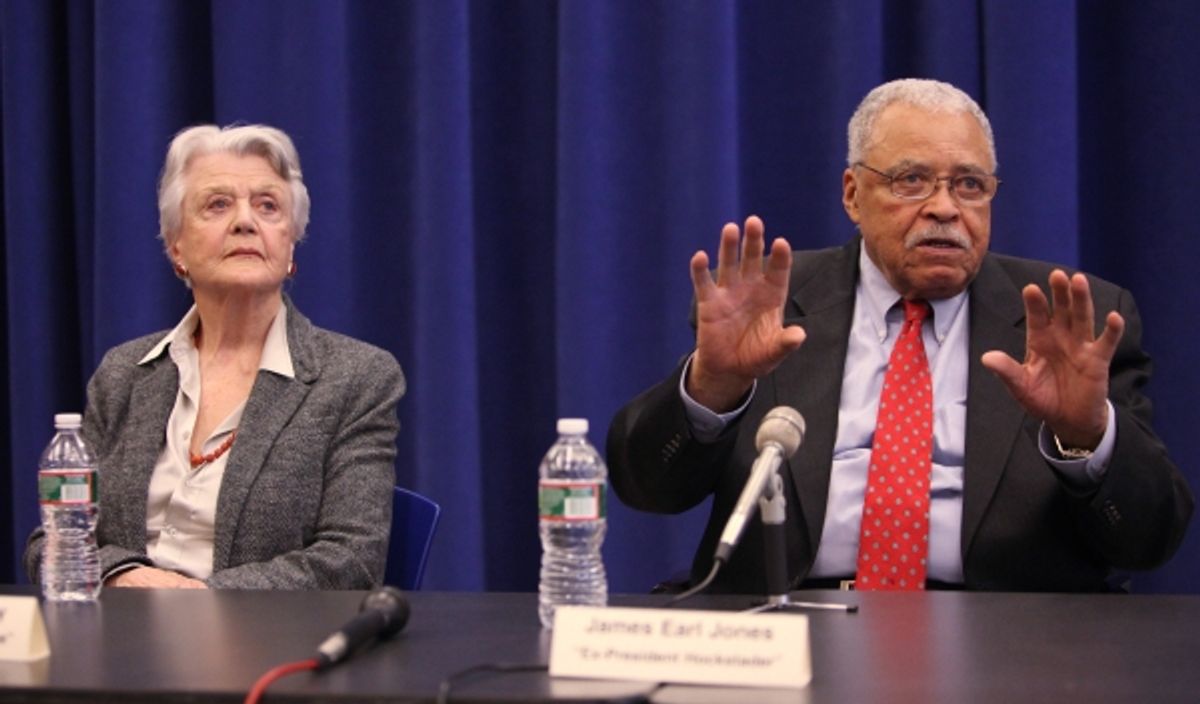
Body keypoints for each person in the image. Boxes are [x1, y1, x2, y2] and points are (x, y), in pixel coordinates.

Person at [607, 78, 1193, 593]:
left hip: (1012, 637)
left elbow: (1147, 542)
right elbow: (649, 490)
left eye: (969, 184)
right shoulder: (769, 306)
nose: (944, 208)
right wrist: (713, 386)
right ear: (853, 194)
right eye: (911, 180)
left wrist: (1086, 437)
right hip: (790, 624)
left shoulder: (1066, 320)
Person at [24, 124, 405, 589]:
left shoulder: (356, 378)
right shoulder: (123, 373)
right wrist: (127, 577)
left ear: (290, 246)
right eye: (218, 204)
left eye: (267, 205)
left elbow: (352, 561)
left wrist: (196, 598)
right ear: (176, 246)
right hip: (116, 638)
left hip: (266, 646)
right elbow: (53, 541)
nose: (245, 221)